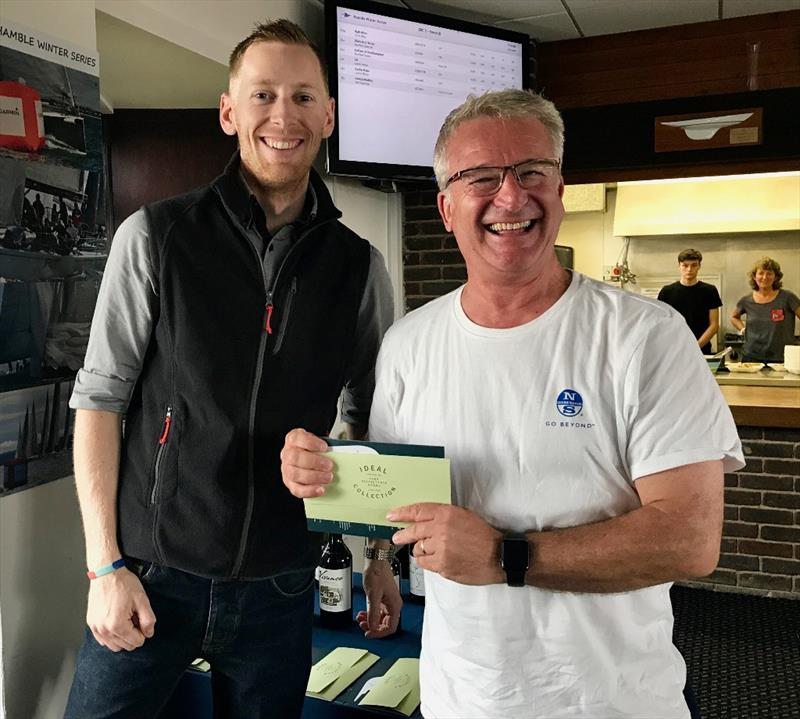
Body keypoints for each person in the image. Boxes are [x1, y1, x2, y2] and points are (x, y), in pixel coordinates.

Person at [281, 89, 744, 719]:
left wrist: (506, 556)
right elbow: (395, 493)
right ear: (446, 206)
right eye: (481, 177)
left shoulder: (644, 336)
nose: (510, 196)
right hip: (460, 696)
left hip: (609, 702)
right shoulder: (409, 343)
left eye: (532, 171)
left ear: (558, 189)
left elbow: (690, 539)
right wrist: (337, 497)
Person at [64, 19, 393, 719]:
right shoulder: (154, 236)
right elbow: (98, 401)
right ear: (229, 111)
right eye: (264, 94)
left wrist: (380, 556)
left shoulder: (360, 266)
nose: (284, 115)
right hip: (151, 573)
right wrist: (104, 567)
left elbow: (370, 421)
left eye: (304, 97)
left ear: (329, 116)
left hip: (281, 581)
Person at [731, 256, 800, 363]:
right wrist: (743, 329)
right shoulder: (746, 300)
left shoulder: (788, 297)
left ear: (776, 277)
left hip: (782, 358)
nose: (765, 277)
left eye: (769, 273)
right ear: (754, 276)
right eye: (761, 273)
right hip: (751, 357)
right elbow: (734, 317)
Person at [657, 248, 722, 354]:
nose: (689, 269)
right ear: (679, 266)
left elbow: (714, 325)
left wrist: (696, 346)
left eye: (694, 265)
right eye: (685, 265)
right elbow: (661, 323)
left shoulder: (710, 291)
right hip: (673, 350)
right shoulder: (666, 292)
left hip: (702, 350)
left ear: (699, 266)